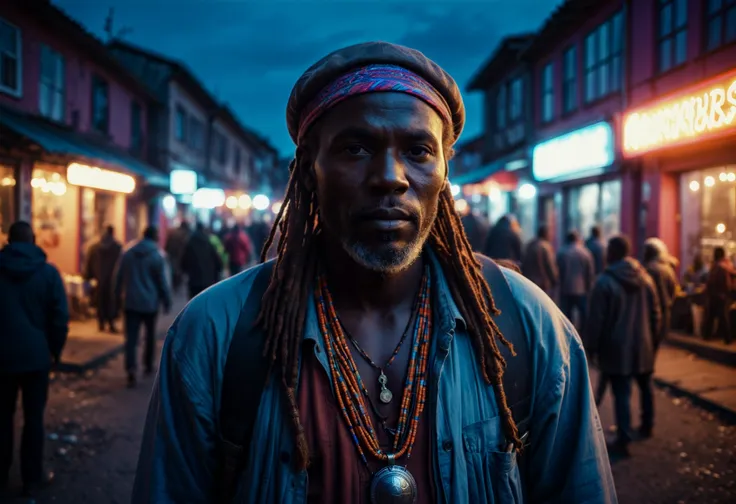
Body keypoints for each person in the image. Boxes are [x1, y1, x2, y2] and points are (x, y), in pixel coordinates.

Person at [132, 42, 616, 503]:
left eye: (419, 151)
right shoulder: (213, 334)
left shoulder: (528, 326)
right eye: (356, 148)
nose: (391, 176)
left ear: (446, 171)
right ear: (307, 171)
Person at [0, 221, 69, 496]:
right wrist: (54, 351)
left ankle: (1, 476)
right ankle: (31, 479)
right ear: (34, 240)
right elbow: (60, 318)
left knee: (2, 418)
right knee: (33, 419)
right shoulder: (48, 274)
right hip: (36, 358)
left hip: (2, 359)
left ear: (8, 240)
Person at [585, 235, 661, 457]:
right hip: (643, 344)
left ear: (613, 253)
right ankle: (648, 424)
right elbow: (656, 313)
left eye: (608, 249)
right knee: (646, 385)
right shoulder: (646, 279)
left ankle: (624, 437)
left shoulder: (604, 282)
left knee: (622, 392)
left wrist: (592, 348)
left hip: (617, 348)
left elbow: (596, 320)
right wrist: (653, 340)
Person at [114, 226, 172, 388]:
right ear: (155, 238)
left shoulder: (128, 253)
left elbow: (118, 277)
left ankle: (131, 369)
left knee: (131, 338)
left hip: (131, 302)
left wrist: (116, 296)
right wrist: (166, 300)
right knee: (149, 335)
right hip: (150, 303)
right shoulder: (157, 256)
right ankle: (147, 365)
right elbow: (161, 281)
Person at [84, 225, 122, 332]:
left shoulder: (94, 247)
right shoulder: (117, 247)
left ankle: (101, 323)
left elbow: (89, 263)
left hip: (99, 279)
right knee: (111, 302)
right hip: (112, 280)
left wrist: (87, 276)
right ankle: (111, 323)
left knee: (100, 301)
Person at [643, 238, 678, 351]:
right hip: (665, 310)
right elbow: (674, 290)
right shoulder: (668, 270)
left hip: (650, 312)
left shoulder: (648, 270)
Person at [557, 230, 595, 328]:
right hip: (582, 289)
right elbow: (589, 272)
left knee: (566, 316)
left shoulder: (561, 252)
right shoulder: (585, 252)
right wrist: (589, 287)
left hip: (566, 288)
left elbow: (557, 272)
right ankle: (583, 334)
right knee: (583, 315)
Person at [181, 222, 223, 299]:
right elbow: (217, 260)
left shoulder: (190, 243)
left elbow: (184, 260)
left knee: (194, 302)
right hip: (208, 280)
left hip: (194, 280)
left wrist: (185, 271)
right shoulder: (208, 242)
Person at [703, 246, 734, 344]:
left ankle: (709, 336)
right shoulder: (725, 265)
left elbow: (713, 281)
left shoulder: (718, 266)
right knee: (720, 316)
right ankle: (726, 338)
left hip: (717, 295)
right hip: (722, 294)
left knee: (714, 316)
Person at [521, 224, 558, 297]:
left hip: (528, 281)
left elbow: (523, 262)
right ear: (546, 234)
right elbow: (550, 266)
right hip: (542, 284)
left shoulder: (530, 245)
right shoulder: (546, 247)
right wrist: (554, 280)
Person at [164, 221, 190, 294]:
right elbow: (185, 246)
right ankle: (177, 284)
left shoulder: (173, 232)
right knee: (178, 270)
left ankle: (174, 284)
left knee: (173, 269)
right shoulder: (185, 234)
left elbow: (168, 243)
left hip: (172, 254)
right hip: (180, 255)